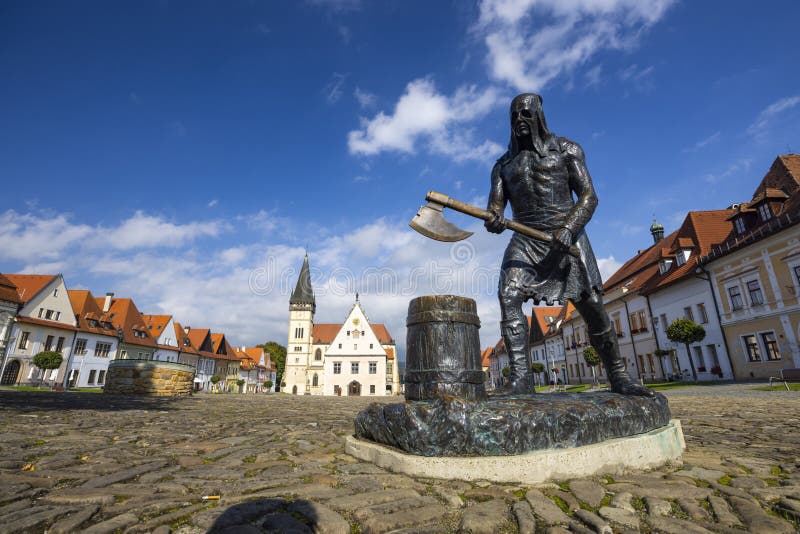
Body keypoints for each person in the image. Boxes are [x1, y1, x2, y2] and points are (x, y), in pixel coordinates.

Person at [485, 93, 652, 396]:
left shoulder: (567, 150)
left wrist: (568, 227)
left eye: (525, 114)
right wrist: (494, 218)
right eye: (514, 117)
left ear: (538, 115)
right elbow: (495, 207)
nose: (519, 121)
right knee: (508, 295)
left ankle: (618, 376)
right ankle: (522, 379)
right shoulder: (503, 165)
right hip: (525, 239)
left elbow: (589, 196)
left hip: (567, 237)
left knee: (592, 306)